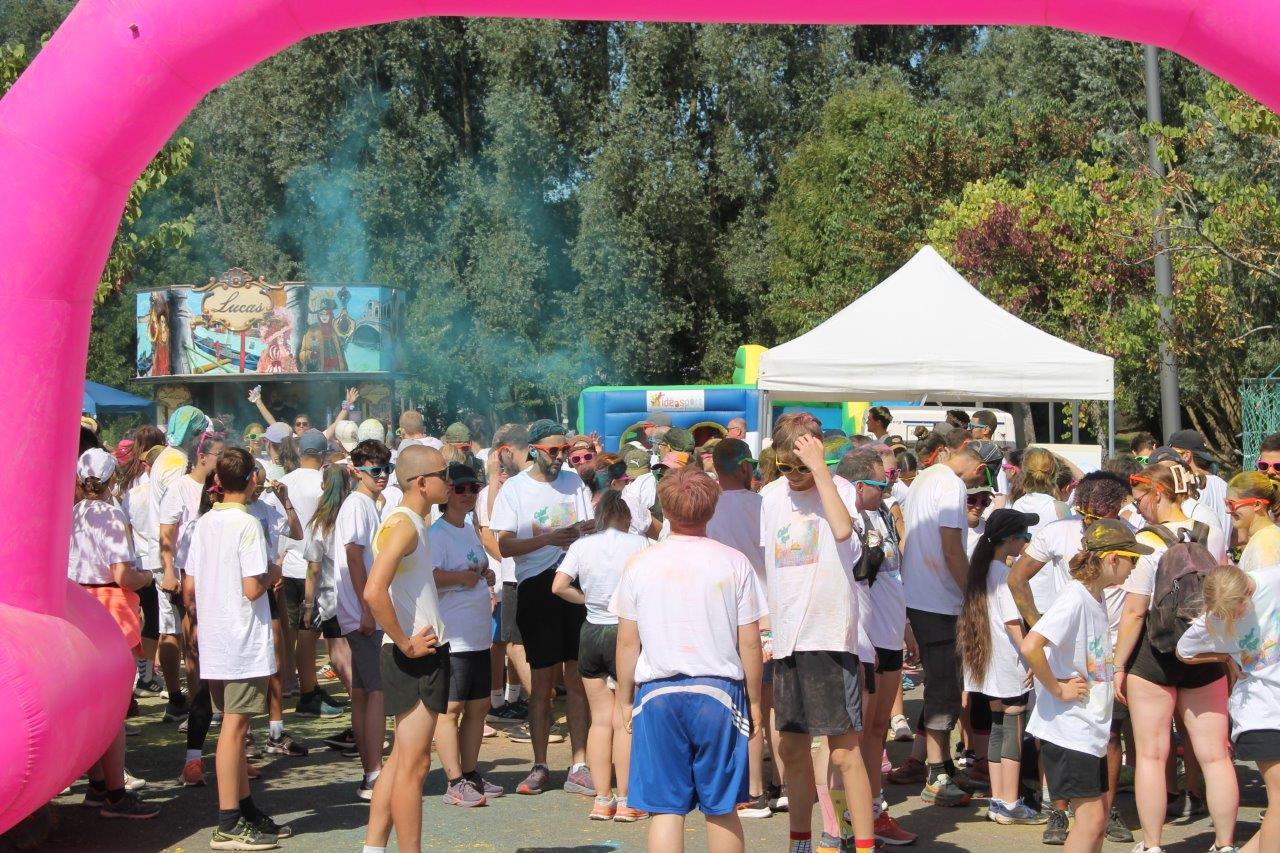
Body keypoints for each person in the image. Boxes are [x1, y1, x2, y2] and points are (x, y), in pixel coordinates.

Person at [613, 466, 765, 853]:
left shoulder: (639, 564)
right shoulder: (734, 562)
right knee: (723, 808)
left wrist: (624, 699)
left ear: (664, 508)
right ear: (712, 509)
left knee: (665, 810)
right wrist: (756, 700)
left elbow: (628, 642)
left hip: (657, 691)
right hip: (720, 690)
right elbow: (750, 642)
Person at [759, 412, 876, 853]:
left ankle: (863, 844)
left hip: (828, 635)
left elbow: (843, 531)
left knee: (844, 751)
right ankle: (800, 841)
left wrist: (820, 470)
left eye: (800, 465)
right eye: (784, 465)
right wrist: (768, 627)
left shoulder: (838, 488)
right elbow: (770, 566)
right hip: (787, 639)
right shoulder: (770, 496)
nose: (793, 475)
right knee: (792, 749)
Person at [1114, 464, 1238, 852]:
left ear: (1157, 493)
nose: (1138, 507)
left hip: (1155, 654)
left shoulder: (1146, 542)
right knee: (1216, 757)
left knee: (1151, 756)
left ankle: (1152, 844)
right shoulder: (1212, 532)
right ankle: (1225, 844)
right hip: (1204, 652)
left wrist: (1118, 665)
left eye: (1140, 499)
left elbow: (1135, 611)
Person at [1021, 520, 1146, 853]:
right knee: (1090, 822)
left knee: (1098, 820)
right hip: (1069, 729)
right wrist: (1057, 688)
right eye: (1132, 558)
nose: (1135, 567)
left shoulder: (1095, 596)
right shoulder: (1075, 598)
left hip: (1088, 728)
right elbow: (1031, 645)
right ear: (1112, 559)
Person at [186, 447, 289, 848]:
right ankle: (228, 821)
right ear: (250, 480)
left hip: (217, 637)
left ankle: (244, 809)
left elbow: (190, 585)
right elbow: (251, 587)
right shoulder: (246, 524)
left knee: (235, 727)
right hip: (241, 637)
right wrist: (273, 571)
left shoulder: (205, 522)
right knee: (234, 728)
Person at [490, 419, 595, 796]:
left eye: (564, 450)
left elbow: (589, 527)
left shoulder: (574, 483)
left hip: (573, 584)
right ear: (534, 450)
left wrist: (581, 536)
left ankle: (580, 765)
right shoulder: (515, 489)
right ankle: (540, 765)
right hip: (535, 588)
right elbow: (504, 545)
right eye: (553, 450)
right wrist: (549, 539)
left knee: (577, 680)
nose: (560, 457)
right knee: (542, 686)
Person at [361, 444, 448, 853]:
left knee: (400, 762)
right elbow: (373, 590)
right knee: (414, 766)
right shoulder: (405, 524)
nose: (449, 481)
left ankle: (373, 848)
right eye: (444, 474)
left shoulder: (407, 520)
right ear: (423, 482)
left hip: (418, 652)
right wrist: (405, 642)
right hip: (416, 655)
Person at [898, 433, 988, 806]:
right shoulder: (951, 485)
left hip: (922, 596)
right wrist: (975, 596)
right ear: (979, 467)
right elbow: (952, 550)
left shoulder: (926, 477)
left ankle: (944, 765)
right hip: (938, 600)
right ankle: (936, 774)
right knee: (943, 688)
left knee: (944, 684)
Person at [71, 449, 161, 820]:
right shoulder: (111, 514)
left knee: (92, 704)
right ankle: (115, 793)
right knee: (113, 709)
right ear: (111, 480)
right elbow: (123, 574)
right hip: (111, 607)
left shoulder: (74, 513)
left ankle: (96, 785)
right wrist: (148, 578)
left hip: (77, 604)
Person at [552, 490, 650, 821]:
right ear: (626, 517)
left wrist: (587, 599)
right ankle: (626, 799)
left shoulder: (582, 546)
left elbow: (558, 586)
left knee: (600, 719)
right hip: (625, 633)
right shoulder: (640, 544)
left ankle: (602, 798)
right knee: (625, 719)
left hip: (591, 630)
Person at [836, 449, 917, 846]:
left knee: (876, 731)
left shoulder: (881, 513)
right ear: (858, 486)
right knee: (853, 739)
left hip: (889, 635)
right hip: (863, 641)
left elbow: (893, 576)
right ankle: (849, 821)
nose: (888, 488)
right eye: (881, 483)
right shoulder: (846, 521)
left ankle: (871, 813)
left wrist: (906, 627)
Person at [1178, 565, 1280, 853]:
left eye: (1237, 610)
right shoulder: (1213, 618)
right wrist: (1224, 657)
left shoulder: (1272, 579)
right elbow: (1184, 651)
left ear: (1248, 591)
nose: (1232, 618)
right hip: (1258, 713)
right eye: (1225, 614)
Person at [956, 508, 1041, 826]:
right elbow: (1012, 623)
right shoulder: (1004, 575)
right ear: (1010, 539)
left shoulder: (980, 571)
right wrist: (1033, 657)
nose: (1026, 543)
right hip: (1008, 662)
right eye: (1025, 537)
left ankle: (999, 800)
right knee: (1012, 729)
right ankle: (1009, 803)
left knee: (997, 728)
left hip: (986, 663)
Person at [429, 462, 502, 808]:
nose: (468, 494)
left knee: (478, 706)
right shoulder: (436, 534)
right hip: (452, 635)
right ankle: (454, 780)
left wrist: (485, 575)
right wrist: (462, 577)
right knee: (451, 709)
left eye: (474, 488)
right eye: (460, 488)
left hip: (477, 634)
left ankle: (470, 773)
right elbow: (429, 577)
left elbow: (476, 567)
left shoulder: (469, 529)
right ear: (446, 493)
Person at [335, 438, 394, 801]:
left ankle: (370, 771)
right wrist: (368, 608)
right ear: (357, 471)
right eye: (375, 470)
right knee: (377, 692)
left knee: (362, 692)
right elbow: (354, 558)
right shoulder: (358, 505)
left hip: (358, 611)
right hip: (362, 613)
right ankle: (373, 774)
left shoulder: (367, 503)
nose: (382, 475)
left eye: (386, 468)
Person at [157, 426, 225, 724]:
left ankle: (217, 702)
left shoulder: (221, 487)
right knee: (193, 640)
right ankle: (199, 706)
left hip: (216, 573)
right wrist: (169, 571)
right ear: (202, 456)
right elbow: (166, 533)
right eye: (220, 455)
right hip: (188, 573)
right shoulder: (181, 487)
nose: (223, 460)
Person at [277, 428, 345, 718]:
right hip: (313, 567)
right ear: (323, 454)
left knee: (293, 631)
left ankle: (304, 687)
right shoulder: (322, 482)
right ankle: (307, 692)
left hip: (288, 564)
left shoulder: (285, 481)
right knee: (308, 632)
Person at [303, 464, 359, 755]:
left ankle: (360, 729)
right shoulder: (355, 514)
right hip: (358, 598)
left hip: (333, 600)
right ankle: (361, 725)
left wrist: (308, 604)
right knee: (355, 663)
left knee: (342, 664)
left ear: (324, 485)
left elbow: (313, 568)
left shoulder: (321, 522)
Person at [476, 444, 531, 724]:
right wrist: (511, 557)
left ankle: (513, 696)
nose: (505, 473)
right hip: (499, 579)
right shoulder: (486, 494)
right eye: (500, 469)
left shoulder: (521, 489)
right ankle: (496, 701)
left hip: (518, 576)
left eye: (509, 468)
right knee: (500, 642)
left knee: (518, 639)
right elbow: (487, 536)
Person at [1168, 429, 1230, 537]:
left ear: (1186, 455)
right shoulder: (1225, 485)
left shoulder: (1188, 487)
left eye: (1171, 455)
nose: (1169, 460)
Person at [1227, 472, 1280, 570]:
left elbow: (1266, 579)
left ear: (1257, 505)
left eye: (1231, 504)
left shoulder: (1264, 546)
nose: (1227, 510)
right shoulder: (1266, 537)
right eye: (1226, 503)